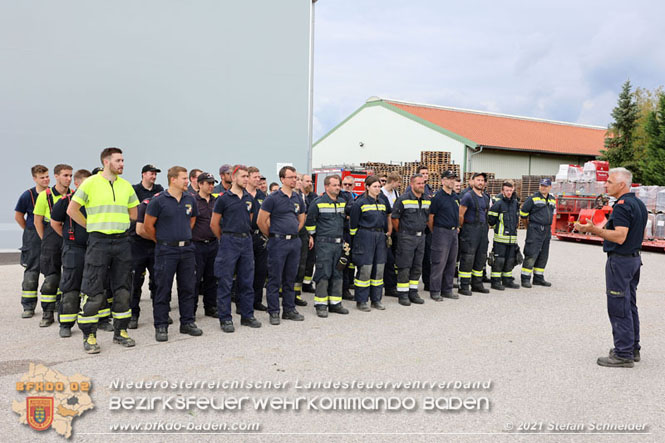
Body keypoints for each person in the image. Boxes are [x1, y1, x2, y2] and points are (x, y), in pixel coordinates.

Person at [68, 147, 139, 353]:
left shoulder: (126, 186)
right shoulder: (90, 183)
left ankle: (121, 332)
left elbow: (133, 214)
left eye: (123, 160)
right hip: (98, 241)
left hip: (121, 242)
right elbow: (71, 210)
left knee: (123, 289)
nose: (122, 164)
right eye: (118, 160)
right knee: (94, 290)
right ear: (106, 162)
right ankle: (89, 335)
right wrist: (91, 225)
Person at [575, 168, 647, 368]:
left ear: (622, 185)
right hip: (633, 260)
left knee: (618, 306)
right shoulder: (638, 204)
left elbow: (620, 236)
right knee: (629, 304)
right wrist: (591, 227)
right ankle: (632, 348)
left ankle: (623, 354)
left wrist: (594, 230)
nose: (605, 184)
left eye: (609, 181)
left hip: (621, 261)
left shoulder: (623, 206)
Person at [143, 166, 202, 342]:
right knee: (163, 288)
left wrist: (182, 236)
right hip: (165, 250)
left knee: (188, 288)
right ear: (173, 180)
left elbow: (192, 220)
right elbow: (148, 226)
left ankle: (187, 322)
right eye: (184, 178)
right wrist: (163, 240)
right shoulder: (158, 201)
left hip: (187, 250)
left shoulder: (190, 199)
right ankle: (161, 325)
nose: (187, 181)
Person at [210, 165, 262, 332]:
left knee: (247, 281)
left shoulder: (249, 198)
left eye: (248, 176)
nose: (246, 179)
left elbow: (250, 219)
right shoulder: (223, 199)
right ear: (233, 177)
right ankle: (225, 318)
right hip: (229, 241)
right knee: (225, 281)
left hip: (246, 241)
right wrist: (224, 239)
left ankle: (247, 315)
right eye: (243, 176)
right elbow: (214, 224)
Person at [257, 165, 306, 325]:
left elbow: (301, 219)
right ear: (282, 179)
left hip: (294, 242)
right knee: (274, 278)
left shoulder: (298, 198)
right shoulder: (273, 198)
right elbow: (261, 221)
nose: (294, 180)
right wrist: (273, 234)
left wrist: (292, 232)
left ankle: (289, 309)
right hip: (277, 242)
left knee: (290, 278)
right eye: (291, 177)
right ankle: (274, 311)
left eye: (296, 177)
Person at [50, 169, 92, 337]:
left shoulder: (93, 202)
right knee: (70, 285)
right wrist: (69, 239)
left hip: (94, 249)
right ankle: (66, 324)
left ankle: (101, 320)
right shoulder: (66, 201)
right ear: (77, 184)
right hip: (73, 249)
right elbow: (55, 224)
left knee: (96, 285)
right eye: (85, 183)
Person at [33, 164, 72, 327]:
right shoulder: (45, 195)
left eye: (71, 176)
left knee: (70, 277)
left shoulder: (75, 195)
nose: (69, 179)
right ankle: (47, 313)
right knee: (51, 278)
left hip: (69, 234)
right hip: (51, 236)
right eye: (65, 175)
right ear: (56, 176)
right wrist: (46, 241)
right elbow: (37, 221)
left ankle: (67, 314)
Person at [305, 174, 349, 317]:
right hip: (324, 244)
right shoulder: (318, 202)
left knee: (338, 272)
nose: (337, 187)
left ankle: (335, 303)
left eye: (338, 185)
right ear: (326, 186)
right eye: (334, 185)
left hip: (338, 244)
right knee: (323, 273)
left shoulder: (342, 202)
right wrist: (313, 236)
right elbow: (310, 222)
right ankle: (321, 304)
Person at [349, 175, 392, 311]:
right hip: (365, 236)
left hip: (380, 236)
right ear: (367, 187)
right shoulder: (360, 203)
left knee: (379, 269)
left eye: (379, 186)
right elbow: (353, 225)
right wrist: (356, 241)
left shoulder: (382, 202)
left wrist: (386, 234)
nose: (378, 189)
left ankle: (376, 299)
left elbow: (386, 219)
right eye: (375, 187)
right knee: (365, 270)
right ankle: (361, 301)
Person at [15, 164, 50, 318]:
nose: (45, 179)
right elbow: (18, 216)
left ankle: (52, 304)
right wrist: (29, 231)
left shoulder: (53, 193)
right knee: (32, 270)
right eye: (42, 177)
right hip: (33, 236)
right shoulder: (27, 195)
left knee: (53, 269)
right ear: (35, 178)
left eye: (47, 176)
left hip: (50, 233)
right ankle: (28, 306)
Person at [391, 173, 430, 306]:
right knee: (404, 266)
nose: (421, 185)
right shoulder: (403, 199)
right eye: (419, 183)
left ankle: (413, 292)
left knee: (417, 266)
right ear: (412, 184)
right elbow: (395, 219)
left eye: (423, 183)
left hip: (421, 237)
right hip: (406, 237)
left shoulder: (426, 199)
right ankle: (403, 294)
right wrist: (402, 232)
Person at [428, 170, 460, 301]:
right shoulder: (437, 197)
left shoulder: (455, 197)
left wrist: (457, 227)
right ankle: (435, 291)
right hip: (441, 232)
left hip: (453, 232)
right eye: (449, 178)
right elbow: (431, 217)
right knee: (439, 262)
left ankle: (447, 290)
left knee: (451, 262)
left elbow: (457, 214)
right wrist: (435, 231)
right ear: (442, 181)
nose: (452, 181)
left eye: (453, 178)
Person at [458, 172, 491, 295]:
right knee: (468, 257)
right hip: (470, 229)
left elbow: (485, 213)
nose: (480, 182)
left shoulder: (486, 197)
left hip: (482, 230)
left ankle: (477, 284)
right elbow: (460, 214)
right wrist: (462, 227)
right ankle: (464, 286)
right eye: (478, 180)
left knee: (480, 257)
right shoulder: (468, 196)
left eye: (482, 180)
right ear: (472, 181)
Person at [192, 172, 219, 318]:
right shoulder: (193, 201)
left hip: (213, 244)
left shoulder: (216, 201)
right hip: (197, 245)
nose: (211, 186)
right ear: (200, 184)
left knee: (212, 278)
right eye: (208, 183)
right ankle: (192, 309)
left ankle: (211, 307)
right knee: (195, 280)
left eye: (213, 183)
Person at [520, 178, 556, 288]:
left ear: (550, 187)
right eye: (541, 185)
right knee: (531, 253)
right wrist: (528, 227)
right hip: (535, 229)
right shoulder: (532, 198)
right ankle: (525, 278)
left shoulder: (552, 199)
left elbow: (552, 213)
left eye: (545, 186)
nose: (543, 188)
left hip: (546, 230)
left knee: (543, 255)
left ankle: (538, 278)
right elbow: (523, 214)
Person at [487, 181, 521, 291]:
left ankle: (507, 280)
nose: (509, 192)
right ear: (502, 191)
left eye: (511, 190)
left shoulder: (515, 203)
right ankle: (495, 282)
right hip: (500, 239)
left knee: (510, 260)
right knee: (499, 261)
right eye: (507, 190)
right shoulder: (498, 204)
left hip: (511, 239)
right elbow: (491, 220)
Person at [247, 167, 268, 311]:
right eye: (255, 177)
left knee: (261, 270)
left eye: (259, 177)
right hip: (245, 237)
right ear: (247, 178)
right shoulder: (241, 195)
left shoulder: (263, 196)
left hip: (260, 237)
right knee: (245, 271)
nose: (258, 180)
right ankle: (244, 302)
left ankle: (257, 300)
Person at [295, 173, 317, 300]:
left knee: (305, 263)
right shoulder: (292, 197)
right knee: (293, 264)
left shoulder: (309, 197)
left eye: (311, 181)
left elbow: (309, 218)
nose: (310, 183)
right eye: (306, 181)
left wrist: (310, 235)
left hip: (305, 233)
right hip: (292, 233)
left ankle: (299, 291)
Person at [381, 172, 401, 297]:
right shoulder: (381, 193)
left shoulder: (396, 193)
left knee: (393, 258)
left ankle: (391, 284)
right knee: (388, 259)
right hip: (386, 229)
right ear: (392, 181)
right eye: (398, 182)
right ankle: (389, 285)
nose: (399, 185)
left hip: (394, 229)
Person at [341, 175, 357, 300]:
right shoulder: (340, 196)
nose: (347, 186)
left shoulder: (356, 197)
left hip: (353, 234)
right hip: (343, 232)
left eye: (349, 185)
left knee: (350, 261)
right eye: (345, 184)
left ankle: (349, 283)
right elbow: (346, 211)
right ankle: (343, 289)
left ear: (354, 185)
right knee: (343, 261)